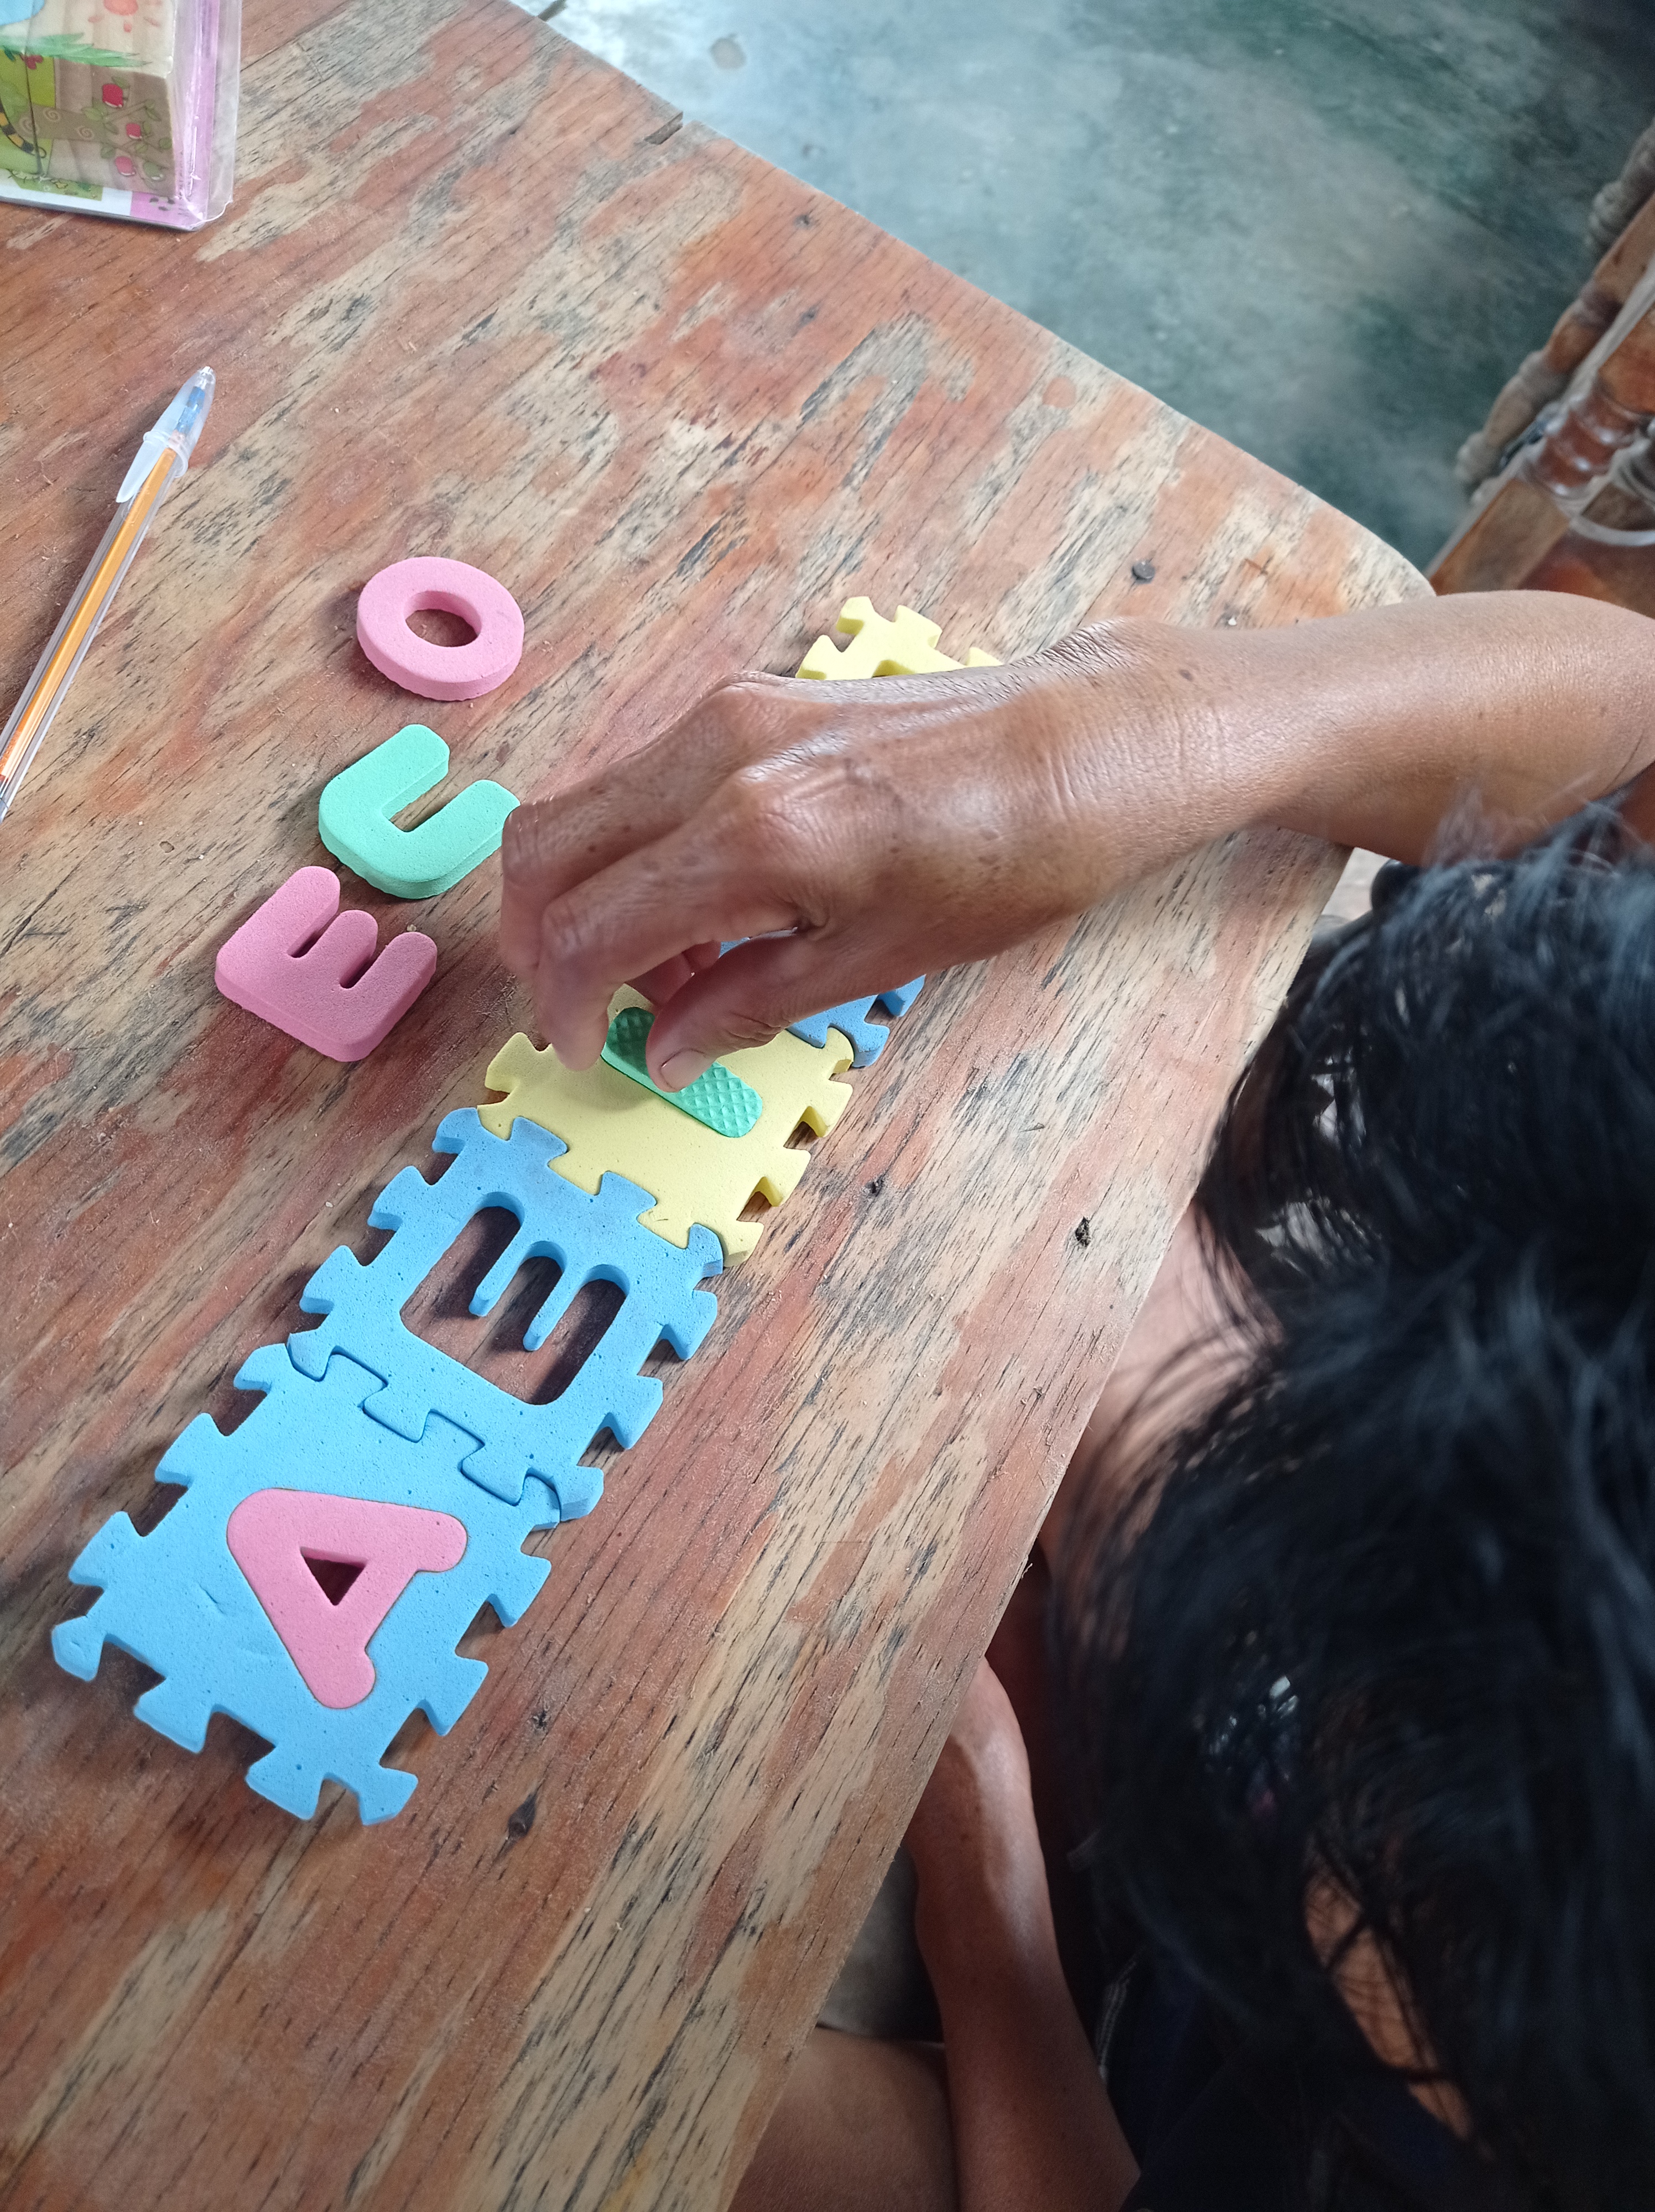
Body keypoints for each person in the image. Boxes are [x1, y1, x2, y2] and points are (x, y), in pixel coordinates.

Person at [499, 590, 1655, 2212]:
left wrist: (997, 1927)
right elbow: (1637, 726)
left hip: (1109, 2117)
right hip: (1192, 1895)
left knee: (501, 2085)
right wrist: (1142, 732)